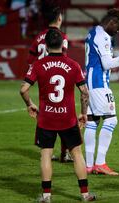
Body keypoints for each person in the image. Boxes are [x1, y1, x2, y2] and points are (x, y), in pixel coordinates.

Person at [20, 29, 96, 202]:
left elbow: (23, 89)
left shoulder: (38, 65)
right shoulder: (73, 65)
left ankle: (46, 196)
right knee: (76, 153)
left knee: (46, 154)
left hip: (46, 119)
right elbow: (85, 92)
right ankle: (85, 194)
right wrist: (84, 113)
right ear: (63, 44)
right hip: (68, 119)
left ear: (46, 45)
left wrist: (30, 104)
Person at [84, 8, 119, 175]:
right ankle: (100, 163)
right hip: (99, 83)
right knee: (111, 121)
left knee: (92, 122)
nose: (118, 31)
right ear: (112, 22)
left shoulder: (93, 32)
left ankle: (88, 165)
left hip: (90, 82)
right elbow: (107, 64)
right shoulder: (104, 37)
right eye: (118, 27)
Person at [27, 6, 72, 163]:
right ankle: (65, 153)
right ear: (59, 18)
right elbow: (63, 57)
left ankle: (46, 150)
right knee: (64, 113)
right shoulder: (62, 36)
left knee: (45, 112)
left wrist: (33, 73)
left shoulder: (39, 36)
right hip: (59, 75)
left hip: (42, 77)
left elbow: (31, 59)